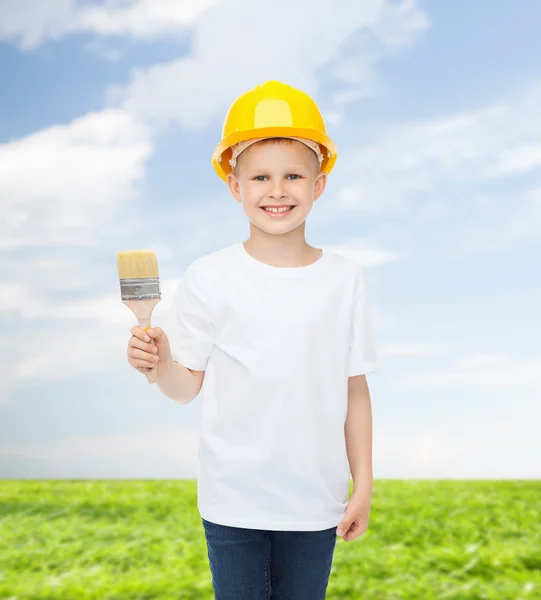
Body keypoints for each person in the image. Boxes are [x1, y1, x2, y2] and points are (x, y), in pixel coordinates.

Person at [127, 80, 378, 599]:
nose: (278, 190)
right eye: (260, 176)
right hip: (232, 500)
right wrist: (160, 363)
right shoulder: (209, 275)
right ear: (235, 186)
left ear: (319, 184)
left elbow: (354, 389)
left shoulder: (345, 278)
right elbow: (184, 387)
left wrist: (364, 482)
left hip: (316, 500)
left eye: (293, 175)